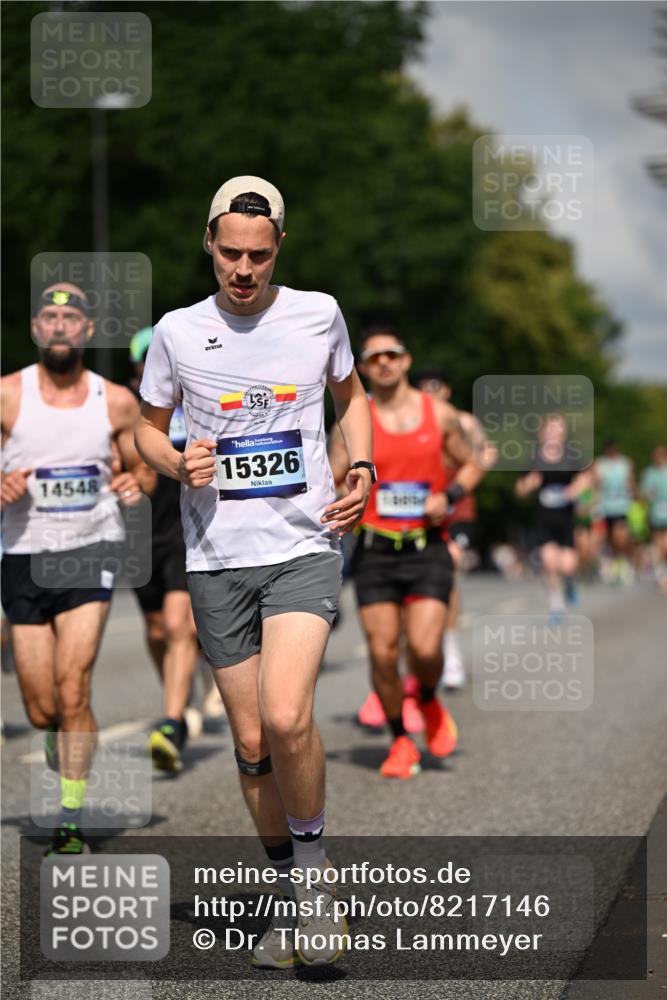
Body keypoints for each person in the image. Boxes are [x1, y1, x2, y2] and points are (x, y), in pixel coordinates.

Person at [135, 176, 372, 967]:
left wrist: (362, 466)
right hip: (214, 558)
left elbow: (352, 397)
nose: (243, 270)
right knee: (247, 739)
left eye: (258, 257)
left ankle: (313, 887)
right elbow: (145, 429)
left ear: (278, 251)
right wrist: (173, 461)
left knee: (285, 713)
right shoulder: (175, 331)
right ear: (208, 243)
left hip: (302, 545)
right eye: (230, 254)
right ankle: (287, 893)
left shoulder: (318, 313)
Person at [0, 283, 153, 854]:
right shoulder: (8, 396)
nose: (60, 326)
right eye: (50, 316)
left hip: (91, 551)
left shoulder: (113, 400)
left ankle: (70, 816)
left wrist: (134, 484)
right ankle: (55, 739)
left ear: (87, 331)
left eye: (71, 317)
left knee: (74, 687)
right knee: (42, 706)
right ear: (37, 329)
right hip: (23, 557)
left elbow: (145, 468)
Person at [329, 327, 483, 779]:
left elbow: (474, 463)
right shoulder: (356, 422)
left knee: (425, 648)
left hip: (427, 546)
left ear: (406, 360)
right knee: (382, 652)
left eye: (391, 354)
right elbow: (332, 476)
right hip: (375, 549)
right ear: (362, 366)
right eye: (373, 357)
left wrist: (449, 496)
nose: (383, 363)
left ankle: (430, 699)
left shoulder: (440, 414)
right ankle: (400, 739)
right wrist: (343, 492)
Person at [128, 328, 212, 773]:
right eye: (145, 358)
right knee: (159, 630)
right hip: (140, 532)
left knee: (180, 624)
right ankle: (179, 695)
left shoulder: (199, 395)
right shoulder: (127, 406)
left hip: (186, 525)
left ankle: (171, 722)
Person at [414, 368, 495, 689]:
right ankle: (424, 650)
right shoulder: (412, 418)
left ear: (446, 390)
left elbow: (487, 453)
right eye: (423, 387)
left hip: (457, 505)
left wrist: (474, 465)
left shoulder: (463, 421)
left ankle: (452, 652)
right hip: (424, 505)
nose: (429, 391)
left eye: (435, 386)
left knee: (449, 567)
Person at [515, 413, 590, 620]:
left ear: (564, 434)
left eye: (559, 429)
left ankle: (570, 584)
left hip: (566, 519)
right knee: (549, 562)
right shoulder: (535, 459)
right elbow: (519, 489)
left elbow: (586, 479)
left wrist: (575, 489)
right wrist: (528, 485)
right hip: (544, 519)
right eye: (551, 429)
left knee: (568, 565)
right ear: (542, 433)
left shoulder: (572, 457)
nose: (554, 434)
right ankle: (556, 606)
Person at [593, 440, 636, 585]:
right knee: (608, 538)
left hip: (621, 506)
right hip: (605, 508)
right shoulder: (600, 464)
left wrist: (633, 490)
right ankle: (613, 562)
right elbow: (595, 484)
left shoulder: (625, 463)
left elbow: (631, 481)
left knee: (621, 537)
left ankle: (624, 561)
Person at [640, 445, 667, 592]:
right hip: (656, 514)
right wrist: (649, 495)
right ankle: (662, 575)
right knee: (659, 547)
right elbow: (644, 494)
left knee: (666, 545)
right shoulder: (649, 474)